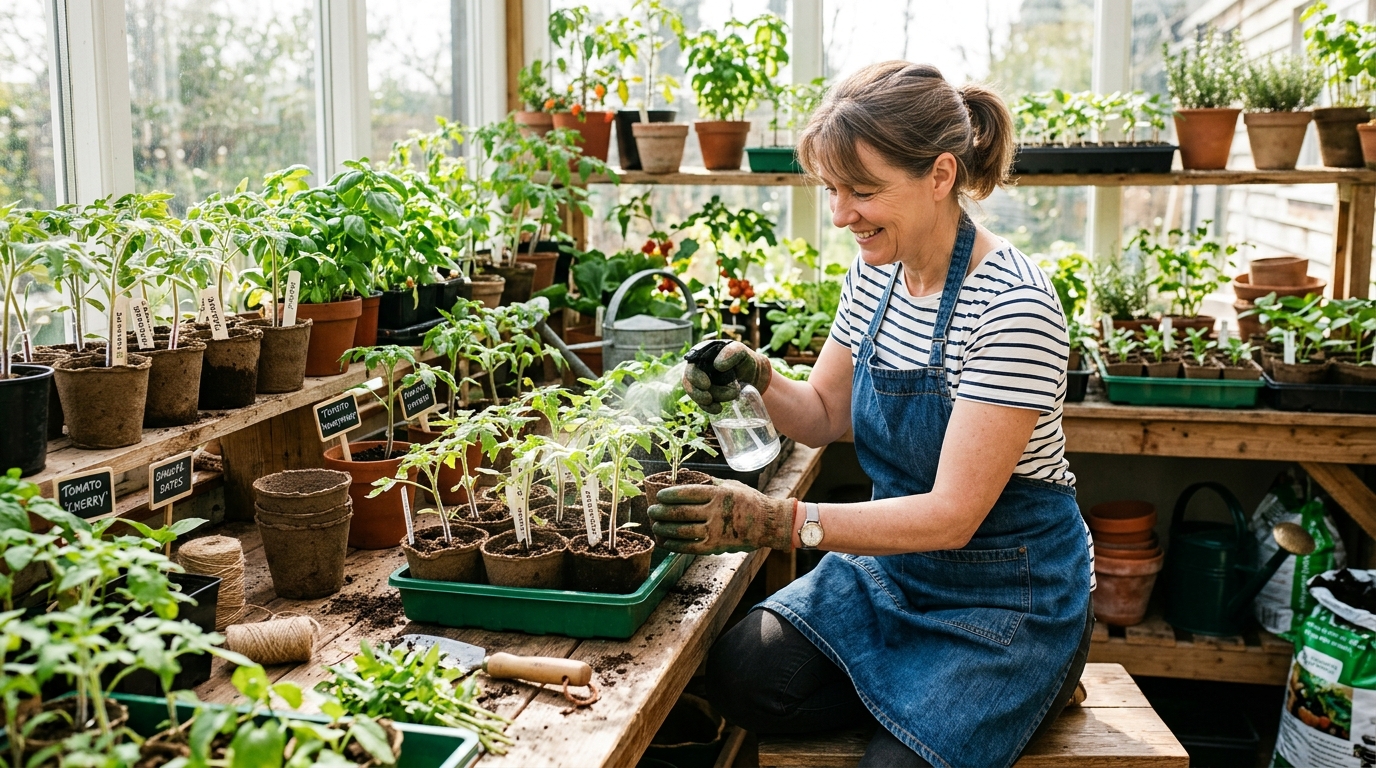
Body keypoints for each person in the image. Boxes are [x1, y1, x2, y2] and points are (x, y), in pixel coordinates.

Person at [648, 61, 1095, 768]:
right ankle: (931, 701)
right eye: (832, 189)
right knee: (741, 676)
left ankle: (1032, 680)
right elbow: (824, 412)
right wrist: (757, 375)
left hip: (1010, 597)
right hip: (896, 571)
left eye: (863, 191)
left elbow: (953, 515)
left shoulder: (1013, 306)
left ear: (941, 175)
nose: (840, 214)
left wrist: (782, 523)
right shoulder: (875, 273)